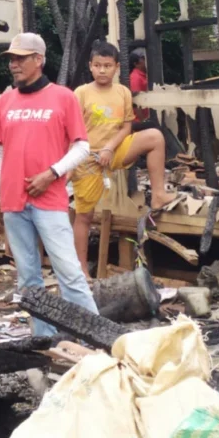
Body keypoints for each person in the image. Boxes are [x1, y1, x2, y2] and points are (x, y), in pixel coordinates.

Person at [0, 32, 99, 336]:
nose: (14, 65)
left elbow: (82, 147)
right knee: (28, 279)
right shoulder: (5, 101)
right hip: (13, 202)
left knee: (70, 274)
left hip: (48, 200)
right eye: (11, 59)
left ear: (39, 60)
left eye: (20, 58)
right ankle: (44, 341)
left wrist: (52, 173)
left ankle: (95, 338)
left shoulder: (63, 97)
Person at [71, 42, 177, 276]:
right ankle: (81, 269)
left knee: (155, 137)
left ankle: (158, 194)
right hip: (87, 157)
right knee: (84, 215)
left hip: (115, 149)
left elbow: (127, 126)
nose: (102, 70)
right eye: (97, 65)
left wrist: (109, 148)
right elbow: (72, 130)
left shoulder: (122, 92)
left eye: (107, 66)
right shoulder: (81, 93)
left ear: (117, 67)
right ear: (90, 66)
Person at [128, 48, 149, 122]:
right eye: (143, 58)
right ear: (135, 63)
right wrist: (143, 122)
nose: (146, 60)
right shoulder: (135, 77)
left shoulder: (145, 75)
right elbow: (136, 103)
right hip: (139, 122)